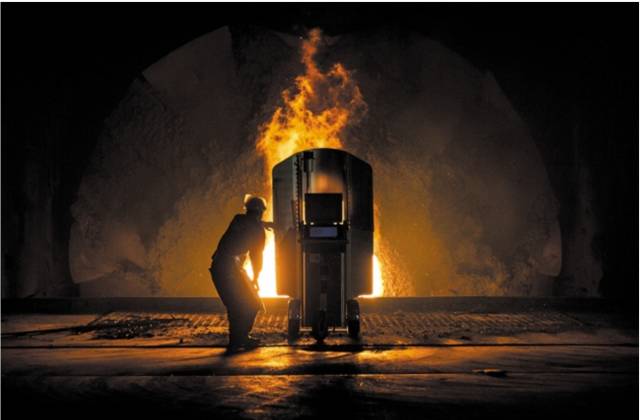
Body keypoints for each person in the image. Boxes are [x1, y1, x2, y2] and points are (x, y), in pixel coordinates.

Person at [209, 195, 268, 352]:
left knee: (235, 304)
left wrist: (261, 224)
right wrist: (256, 277)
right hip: (230, 268)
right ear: (261, 212)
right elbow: (257, 256)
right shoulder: (257, 230)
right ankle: (240, 338)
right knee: (252, 303)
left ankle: (237, 339)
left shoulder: (237, 220)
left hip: (218, 267)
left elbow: (245, 224)